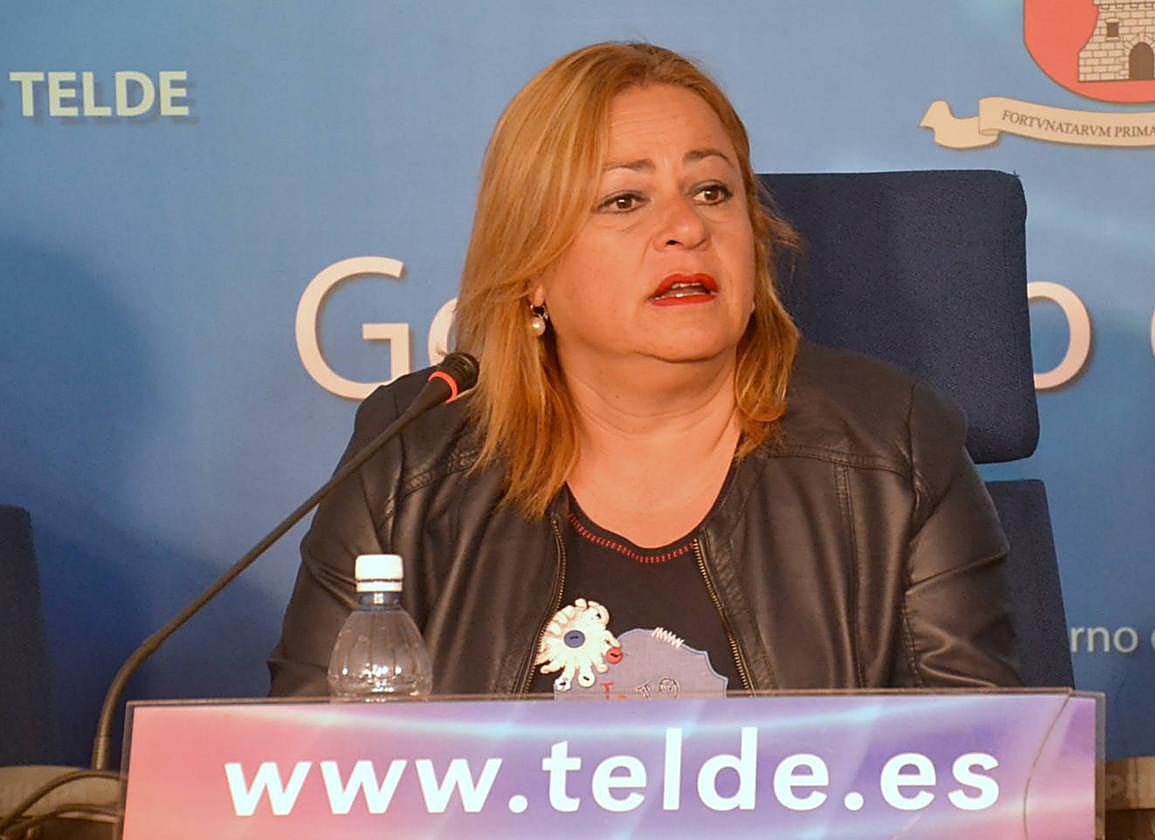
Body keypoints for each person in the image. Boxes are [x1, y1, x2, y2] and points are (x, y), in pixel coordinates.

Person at [269, 42, 1020, 698]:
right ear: (531, 268)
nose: (687, 227)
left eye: (713, 192)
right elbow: (309, 768)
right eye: (625, 199)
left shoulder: (894, 447)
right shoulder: (410, 456)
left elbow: (984, 770)